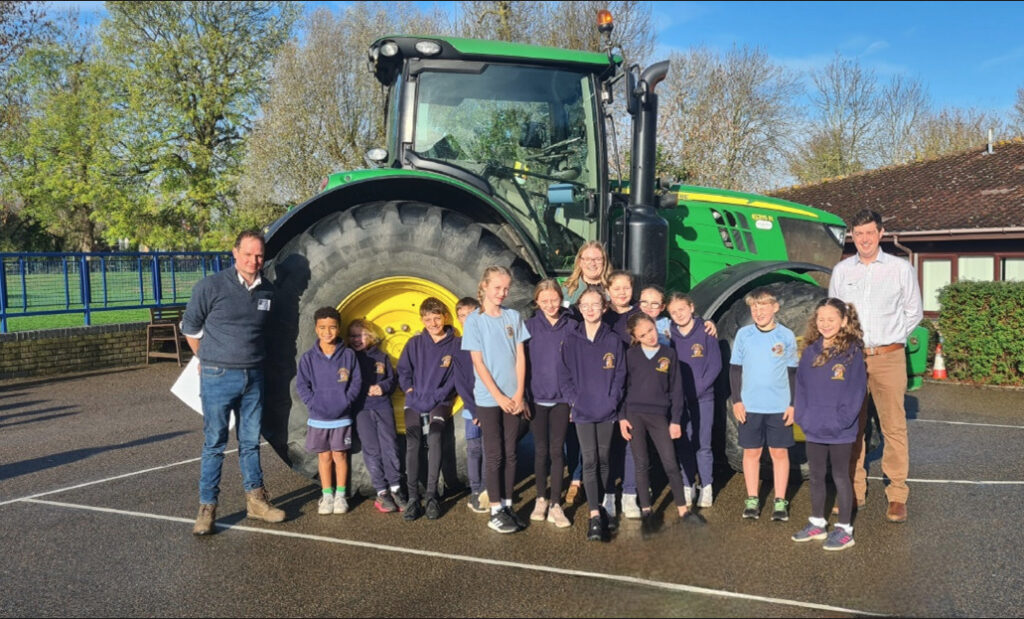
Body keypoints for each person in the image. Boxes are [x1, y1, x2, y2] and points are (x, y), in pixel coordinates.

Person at [181, 229, 285, 535]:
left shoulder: (268, 291)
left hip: (254, 376)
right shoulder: (210, 286)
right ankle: (206, 509)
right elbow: (190, 328)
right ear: (234, 253)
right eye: (248, 254)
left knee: (251, 442)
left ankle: (256, 502)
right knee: (215, 443)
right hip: (218, 376)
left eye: (259, 256)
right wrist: (206, 360)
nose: (254, 261)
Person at [828, 209, 923, 523]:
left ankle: (897, 494)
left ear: (880, 233)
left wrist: (891, 339)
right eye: (859, 234)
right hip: (852, 357)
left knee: (893, 426)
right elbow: (834, 315)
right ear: (852, 236)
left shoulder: (899, 269)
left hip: (889, 357)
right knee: (853, 426)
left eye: (870, 232)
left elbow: (914, 312)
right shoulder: (842, 271)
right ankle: (854, 492)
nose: (864, 239)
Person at [792, 298, 866, 551]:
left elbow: (857, 391)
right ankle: (817, 524)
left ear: (843, 321)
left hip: (840, 430)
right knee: (815, 476)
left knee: (840, 477)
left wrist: (842, 421)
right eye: (821, 319)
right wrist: (803, 416)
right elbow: (800, 386)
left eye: (831, 319)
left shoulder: (852, 351)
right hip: (814, 426)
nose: (825, 324)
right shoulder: (810, 350)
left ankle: (845, 529)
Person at [462, 266, 531, 534]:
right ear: (485, 287)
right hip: (489, 399)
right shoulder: (475, 322)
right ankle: (494, 510)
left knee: (512, 452)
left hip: (514, 398)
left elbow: (521, 357)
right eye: (497, 288)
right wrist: (499, 396)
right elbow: (478, 362)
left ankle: (508, 504)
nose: (502, 293)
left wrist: (518, 394)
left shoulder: (513, 316)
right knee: (494, 454)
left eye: (506, 289)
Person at [559, 285, 626, 542]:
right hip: (583, 411)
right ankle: (594, 514)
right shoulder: (572, 339)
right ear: (579, 308)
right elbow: (564, 374)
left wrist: (613, 399)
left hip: (607, 409)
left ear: (604, 308)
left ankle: (608, 501)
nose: (589, 310)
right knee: (589, 460)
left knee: (604, 457)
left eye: (595, 305)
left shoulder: (613, 340)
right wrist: (574, 401)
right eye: (584, 305)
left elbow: (620, 374)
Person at [729, 287, 798, 522]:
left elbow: (792, 372)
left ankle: (780, 501)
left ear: (775, 307)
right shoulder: (744, 335)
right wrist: (737, 401)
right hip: (750, 406)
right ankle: (752, 499)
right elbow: (735, 370)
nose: (758, 311)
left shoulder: (786, 336)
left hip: (779, 406)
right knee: (752, 452)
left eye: (763, 306)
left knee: (779, 453)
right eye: (754, 307)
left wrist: (793, 404)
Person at [620, 313, 695, 526]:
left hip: (659, 416)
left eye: (651, 330)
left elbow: (677, 390)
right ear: (636, 337)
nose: (650, 337)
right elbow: (623, 389)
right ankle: (646, 510)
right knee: (641, 463)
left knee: (670, 462)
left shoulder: (669, 354)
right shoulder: (630, 356)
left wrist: (676, 420)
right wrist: (622, 417)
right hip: (635, 415)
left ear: (655, 326)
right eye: (643, 335)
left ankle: (682, 509)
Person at [397, 297, 459, 521]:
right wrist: (411, 391)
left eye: (437, 318)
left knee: (434, 437)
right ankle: (414, 498)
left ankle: (432, 496)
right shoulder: (414, 344)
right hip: (415, 399)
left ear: (444, 317)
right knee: (412, 441)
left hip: (440, 401)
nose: (433, 323)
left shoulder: (455, 345)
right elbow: (403, 371)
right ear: (422, 320)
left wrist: (437, 396)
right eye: (428, 319)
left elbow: (454, 379)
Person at [296, 307, 362, 515]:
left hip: (341, 417)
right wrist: (313, 404)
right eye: (322, 327)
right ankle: (327, 495)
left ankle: (341, 496)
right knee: (324, 458)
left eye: (332, 327)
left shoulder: (349, 355)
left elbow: (356, 382)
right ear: (316, 329)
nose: (327, 332)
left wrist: (346, 401)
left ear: (338, 328)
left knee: (340, 456)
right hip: (318, 418)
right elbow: (302, 385)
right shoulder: (308, 358)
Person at [524, 279, 576, 528]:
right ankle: (541, 499)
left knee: (557, 452)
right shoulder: (529, 326)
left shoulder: (572, 327)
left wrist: (575, 401)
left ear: (561, 297)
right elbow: (520, 364)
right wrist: (522, 395)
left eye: (554, 299)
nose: (550, 305)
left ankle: (556, 503)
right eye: (544, 301)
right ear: (537, 302)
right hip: (537, 398)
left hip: (562, 400)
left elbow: (579, 365)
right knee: (541, 451)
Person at [667, 292, 722, 509]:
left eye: (682, 309)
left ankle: (706, 486)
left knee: (703, 444)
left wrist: (698, 389)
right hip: (679, 401)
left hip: (703, 399)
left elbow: (715, 365)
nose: (679, 315)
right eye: (673, 312)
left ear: (691, 307)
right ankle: (687, 485)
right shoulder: (669, 335)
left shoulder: (706, 331)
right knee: (684, 443)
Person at [349, 318, 405, 513]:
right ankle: (381, 491)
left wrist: (382, 387)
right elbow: (348, 382)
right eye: (353, 336)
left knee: (390, 446)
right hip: (362, 409)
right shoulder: (350, 358)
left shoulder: (382, 357)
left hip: (382, 406)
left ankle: (396, 488)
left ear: (371, 336)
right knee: (372, 449)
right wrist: (365, 389)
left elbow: (392, 379)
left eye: (361, 335)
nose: (357, 339)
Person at [602, 270, 642, 521]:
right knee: (607, 445)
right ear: (608, 290)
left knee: (631, 443)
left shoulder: (639, 316)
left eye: (626, 287)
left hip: (633, 387)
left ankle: (629, 494)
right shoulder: (601, 316)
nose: (621, 292)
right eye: (616, 288)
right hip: (605, 388)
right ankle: (608, 494)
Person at [454, 297, 489, 514]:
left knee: (489, 448)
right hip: (472, 410)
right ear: (458, 320)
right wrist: (475, 409)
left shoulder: (488, 343)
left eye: (472, 314)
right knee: (474, 449)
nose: (468, 319)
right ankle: (475, 489)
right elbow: (462, 382)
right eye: (463, 316)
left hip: (489, 406)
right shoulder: (459, 348)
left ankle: (487, 489)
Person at [561, 241, 612, 308]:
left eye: (597, 259)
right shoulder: (567, 290)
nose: (593, 263)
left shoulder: (614, 289)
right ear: (580, 262)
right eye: (587, 259)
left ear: (604, 262)